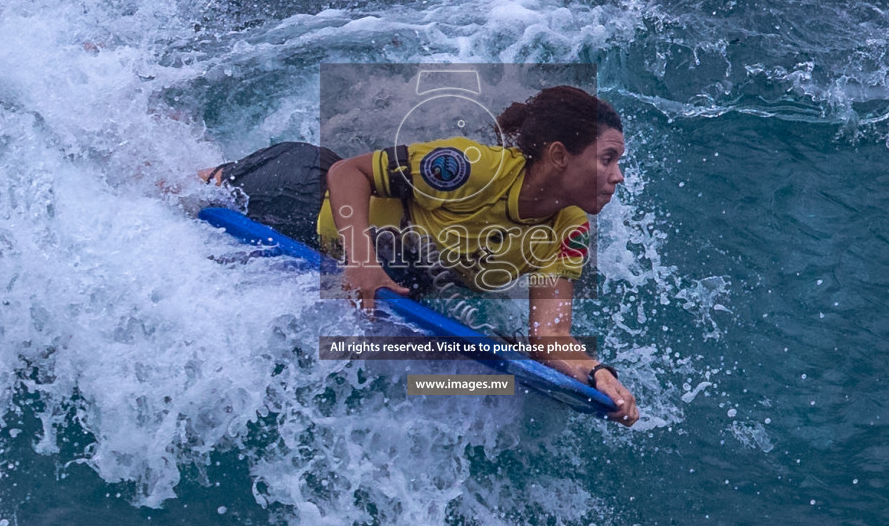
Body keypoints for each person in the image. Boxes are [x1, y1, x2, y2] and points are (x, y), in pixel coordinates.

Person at [197, 85, 639, 426]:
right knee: (179, 192)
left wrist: (596, 372)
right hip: (298, 195)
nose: (618, 177)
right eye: (607, 159)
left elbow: (550, 335)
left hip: (357, 257)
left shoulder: (568, 230)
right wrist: (363, 263)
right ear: (560, 156)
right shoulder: (472, 168)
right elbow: (346, 171)